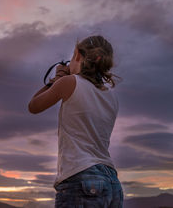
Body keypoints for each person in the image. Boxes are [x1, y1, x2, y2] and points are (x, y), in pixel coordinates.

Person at [28, 35, 123, 207]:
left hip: (80, 177)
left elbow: (34, 106)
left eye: (72, 56)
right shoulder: (112, 95)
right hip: (111, 181)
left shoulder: (69, 82)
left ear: (78, 55)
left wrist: (55, 79)